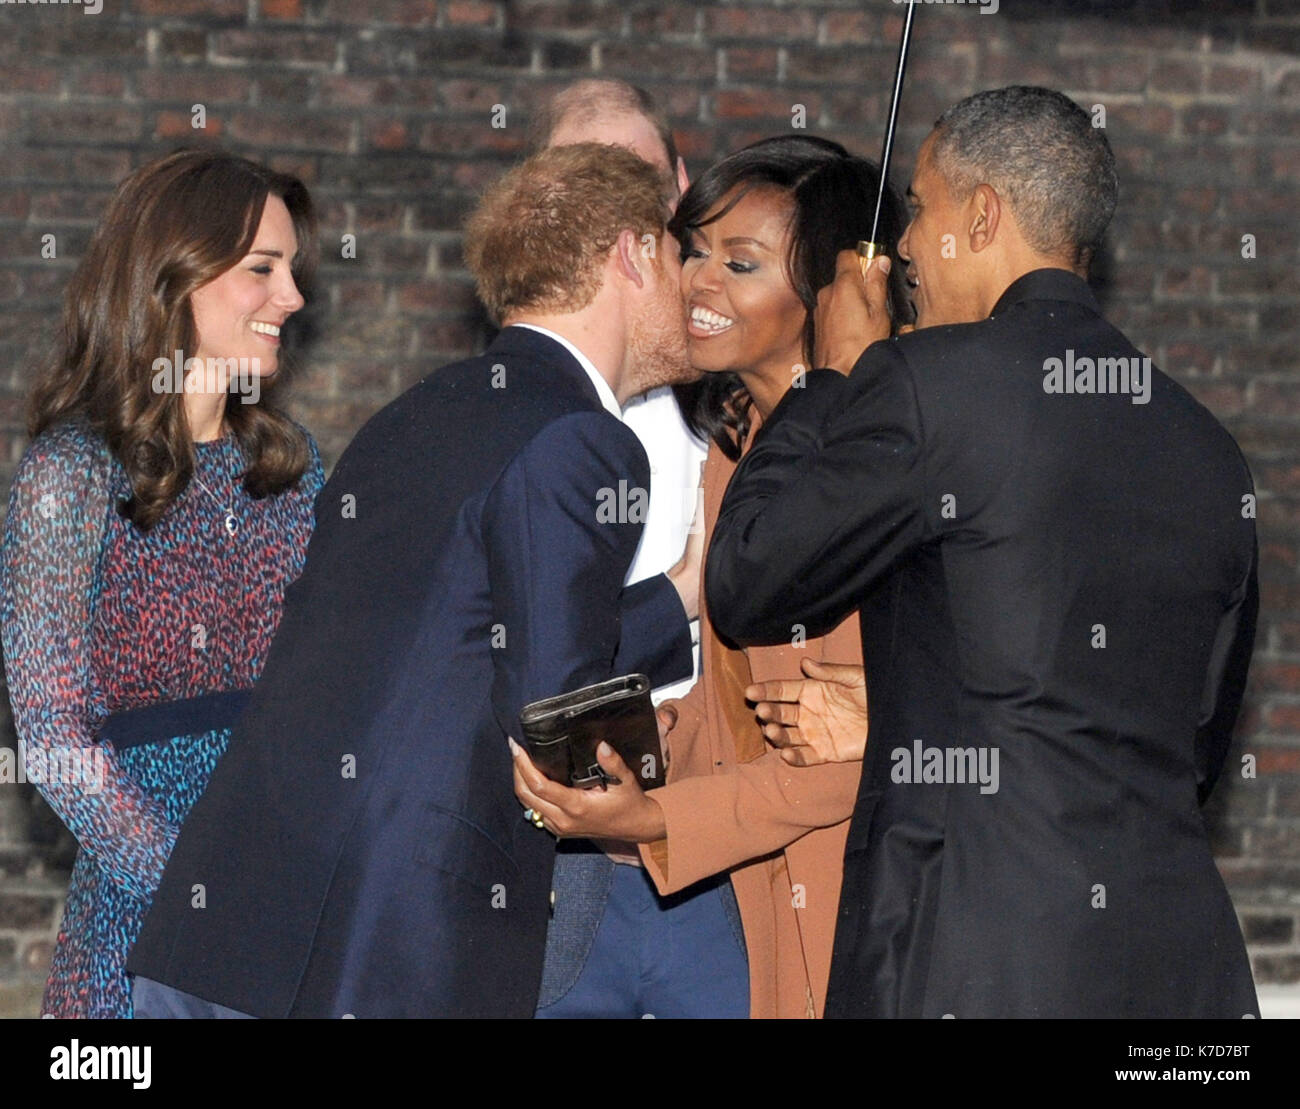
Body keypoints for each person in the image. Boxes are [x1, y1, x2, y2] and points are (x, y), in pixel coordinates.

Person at [706, 86, 1260, 1018]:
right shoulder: (1208, 448)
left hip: (973, 956)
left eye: (920, 209)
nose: (909, 246)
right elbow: (1197, 741)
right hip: (1180, 971)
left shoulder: (927, 386)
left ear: (983, 214)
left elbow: (749, 579)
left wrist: (826, 381)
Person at [127, 142, 700, 1018]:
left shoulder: (415, 410)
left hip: (226, 924)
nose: (694, 288)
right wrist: (655, 782)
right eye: (679, 252)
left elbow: (456, 635)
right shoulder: (583, 438)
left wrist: (672, 600)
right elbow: (555, 711)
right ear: (633, 252)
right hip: (385, 946)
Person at [512, 135, 911, 1017]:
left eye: (741, 262)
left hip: (864, 896)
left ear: (834, 293)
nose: (697, 281)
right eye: (691, 250)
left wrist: (654, 821)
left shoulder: (870, 470)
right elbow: (739, 710)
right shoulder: (740, 455)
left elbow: (847, 752)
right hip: (763, 902)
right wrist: (633, 754)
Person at [0, 149, 324, 1018]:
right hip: (140, 924)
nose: (291, 296)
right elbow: (54, 732)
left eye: (292, 270)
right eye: (263, 268)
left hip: (290, 916)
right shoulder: (70, 476)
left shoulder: (291, 469)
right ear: (172, 275)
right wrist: (198, 878)